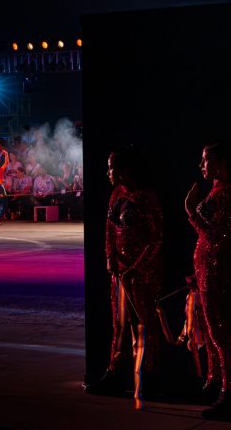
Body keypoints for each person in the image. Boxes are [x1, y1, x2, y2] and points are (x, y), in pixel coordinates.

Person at [85, 147, 163, 400]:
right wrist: (110, 257)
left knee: (142, 324)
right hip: (119, 272)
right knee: (119, 324)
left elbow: (155, 239)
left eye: (112, 167)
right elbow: (108, 229)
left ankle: (147, 377)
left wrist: (135, 268)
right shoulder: (116, 194)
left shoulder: (146, 198)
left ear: (126, 170)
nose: (108, 172)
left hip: (142, 273)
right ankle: (115, 374)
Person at [184, 142, 231, 419]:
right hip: (206, 272)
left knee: (220, 332)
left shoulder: (229, 194)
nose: (202, 166)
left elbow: (216, 237)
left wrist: (191, 211)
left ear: (220, 163)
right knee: (210, 331)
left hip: (218, 272)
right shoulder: (217, 191)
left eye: (206, 160)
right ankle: (216, 383)